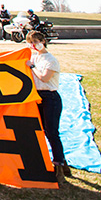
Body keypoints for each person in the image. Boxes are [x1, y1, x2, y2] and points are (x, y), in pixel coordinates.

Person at [26, 31, 71, 178]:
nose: (34, 45)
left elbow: (45, 78)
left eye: (36, 41)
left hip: (50, 97)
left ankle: (59, 162)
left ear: (43, 41)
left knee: (52, 132)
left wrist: (32, 67)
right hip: (36, 97)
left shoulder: (50, 60)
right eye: (31, 42)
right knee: (39, 130)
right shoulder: (33, 57)